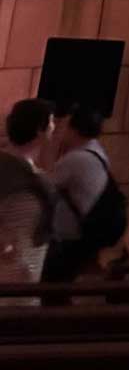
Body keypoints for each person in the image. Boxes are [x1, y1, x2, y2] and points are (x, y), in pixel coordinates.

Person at [43, 106, 118, 282]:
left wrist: (50, 146)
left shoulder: (76, 159)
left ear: (74, 129)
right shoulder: (96, 151)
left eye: (66, 126)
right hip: (86, 233)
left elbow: (44, 188)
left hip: (70, 238)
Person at [0, 99, 56, 287]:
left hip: (24, 266)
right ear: (40, 129)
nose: (54, 127)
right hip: (13, 271)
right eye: (51, 122)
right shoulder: (15, 173)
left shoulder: (31, 175)